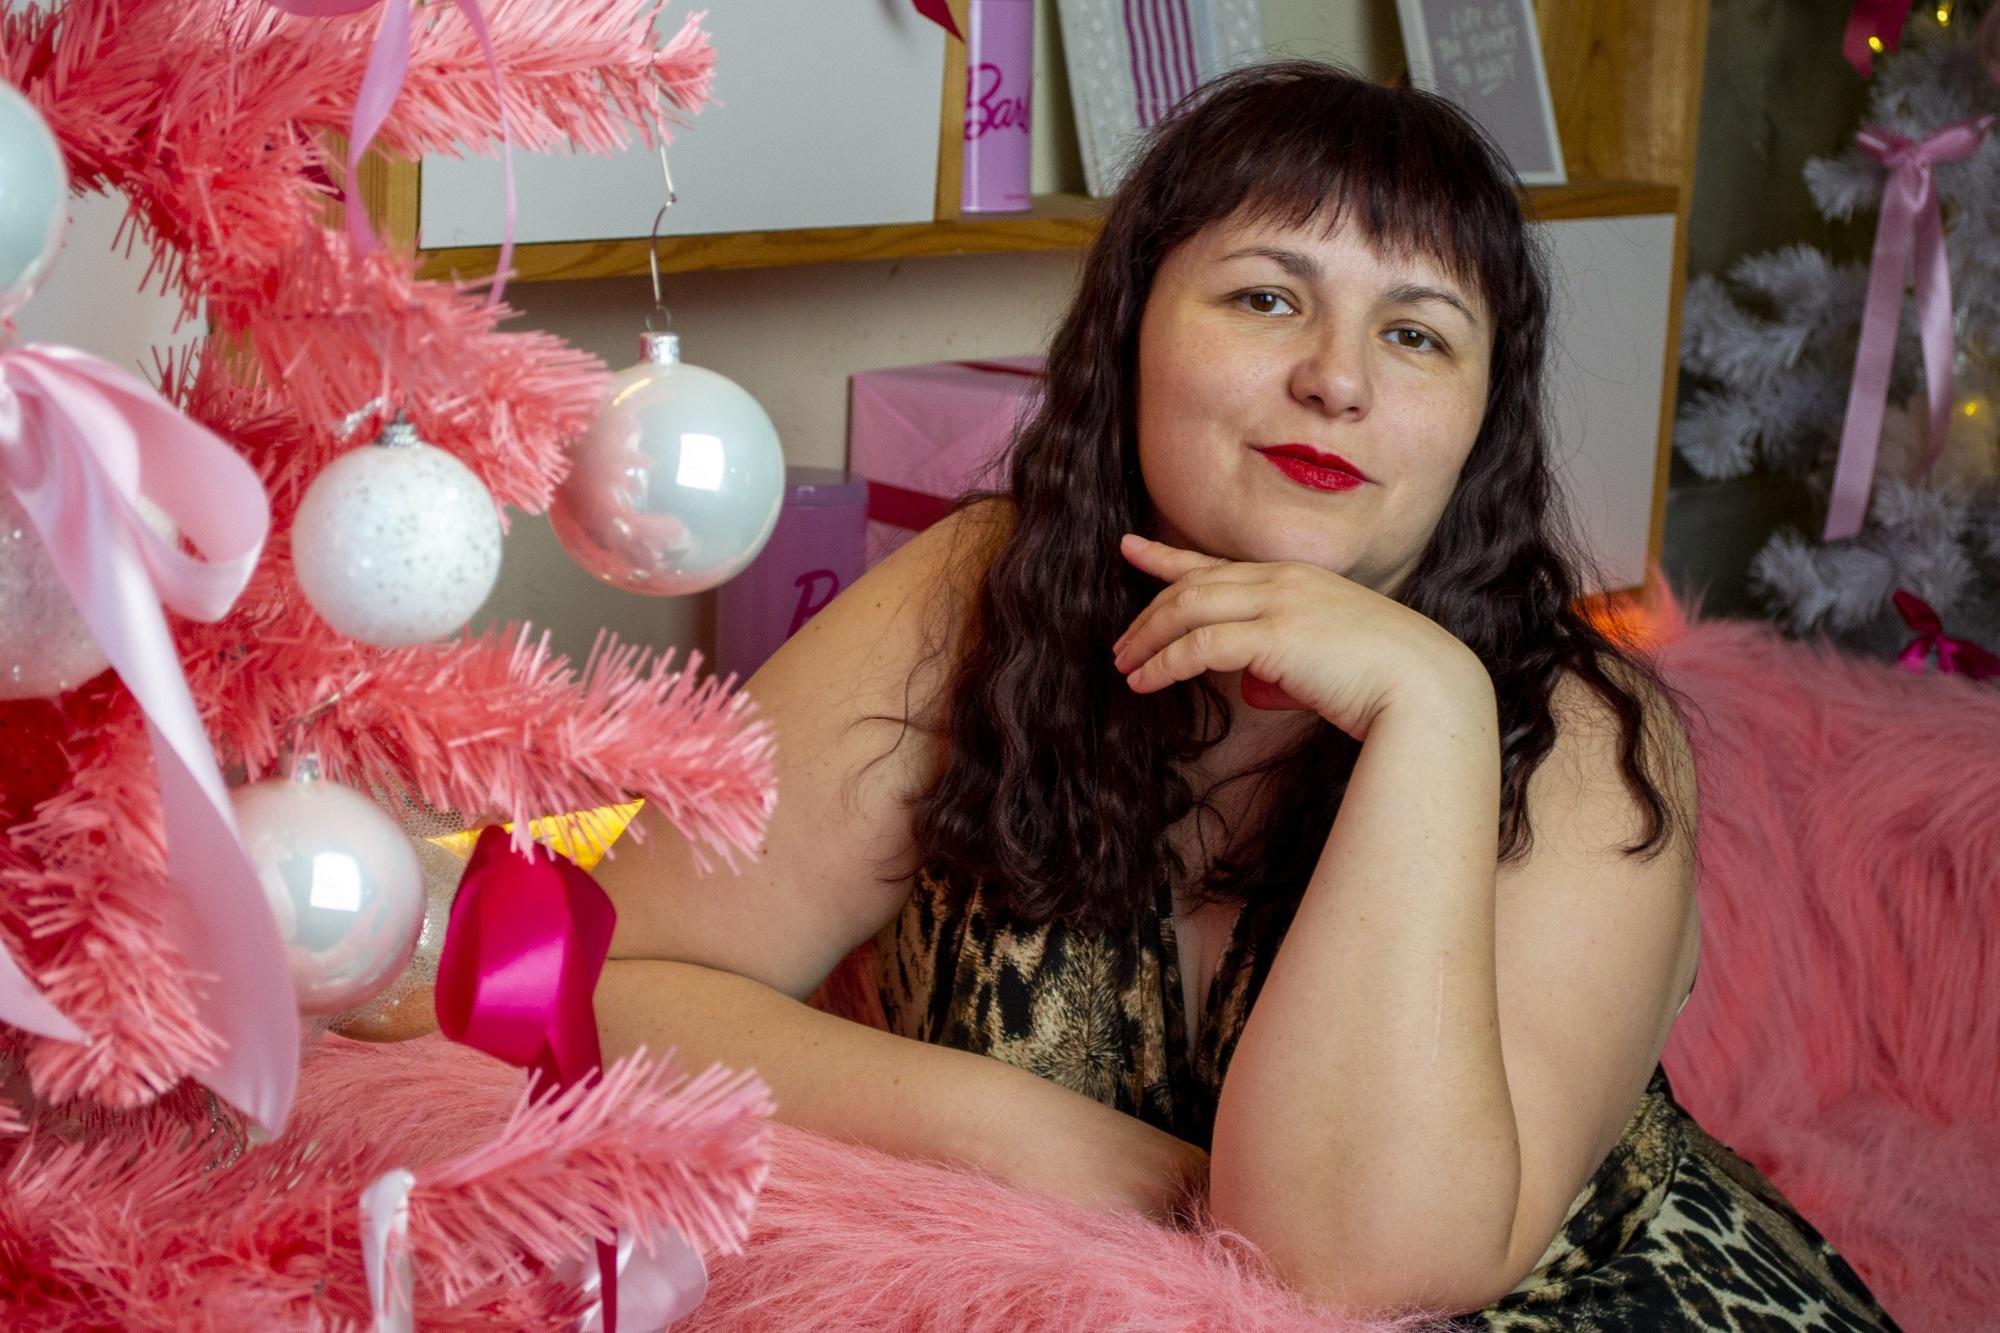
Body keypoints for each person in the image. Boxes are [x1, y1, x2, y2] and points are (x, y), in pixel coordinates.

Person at [594, 62, 1897, 1328]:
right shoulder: (982, 590)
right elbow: (602, 970)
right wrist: (1027, 1136)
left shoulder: (1586, 737)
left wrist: (1429, 713)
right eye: (1268, 298)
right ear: (1132, 331)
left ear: (1479, 423)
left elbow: (1361, 1276)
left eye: (1415, 334)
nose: (1338, 379)